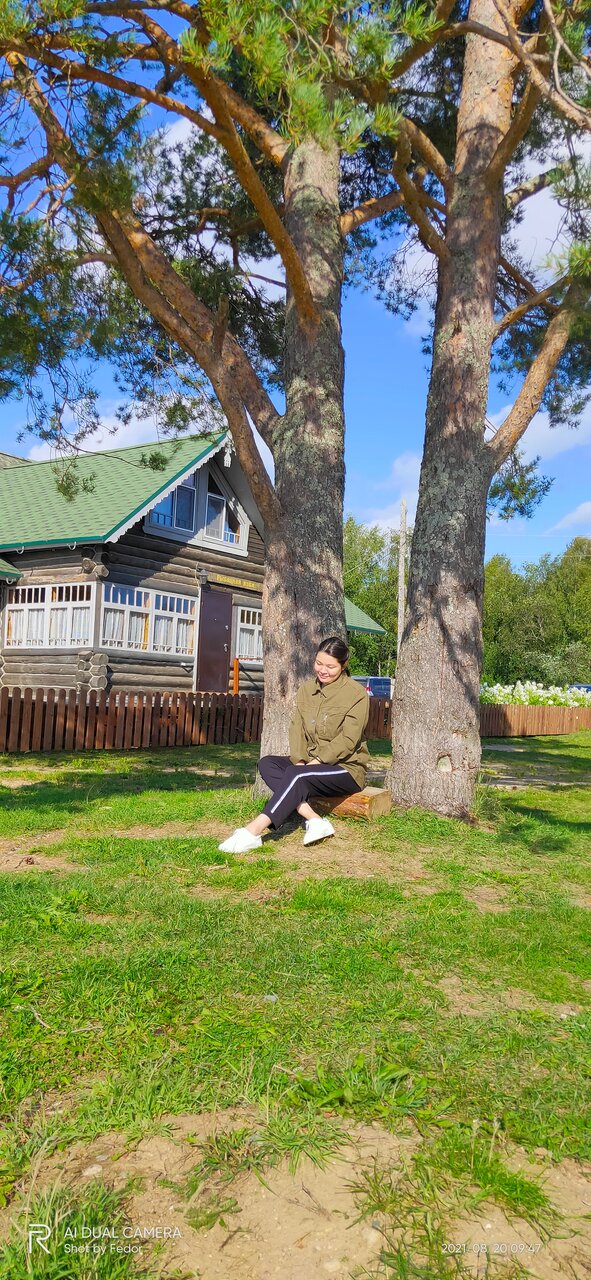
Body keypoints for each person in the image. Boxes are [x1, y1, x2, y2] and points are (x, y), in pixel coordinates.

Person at [219, 637, 370, 853]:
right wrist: (300, 760)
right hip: (310, 763)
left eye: (330, 666)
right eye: (319, 663)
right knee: (267, 764)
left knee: (296, 775)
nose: (323, 670)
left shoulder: (356, 694)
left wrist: (316, 762)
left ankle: (253, 831)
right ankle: (314, 818)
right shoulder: (306, 689)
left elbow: (348, 740)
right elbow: (297, 728)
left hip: (346, 768)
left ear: (343, 665)